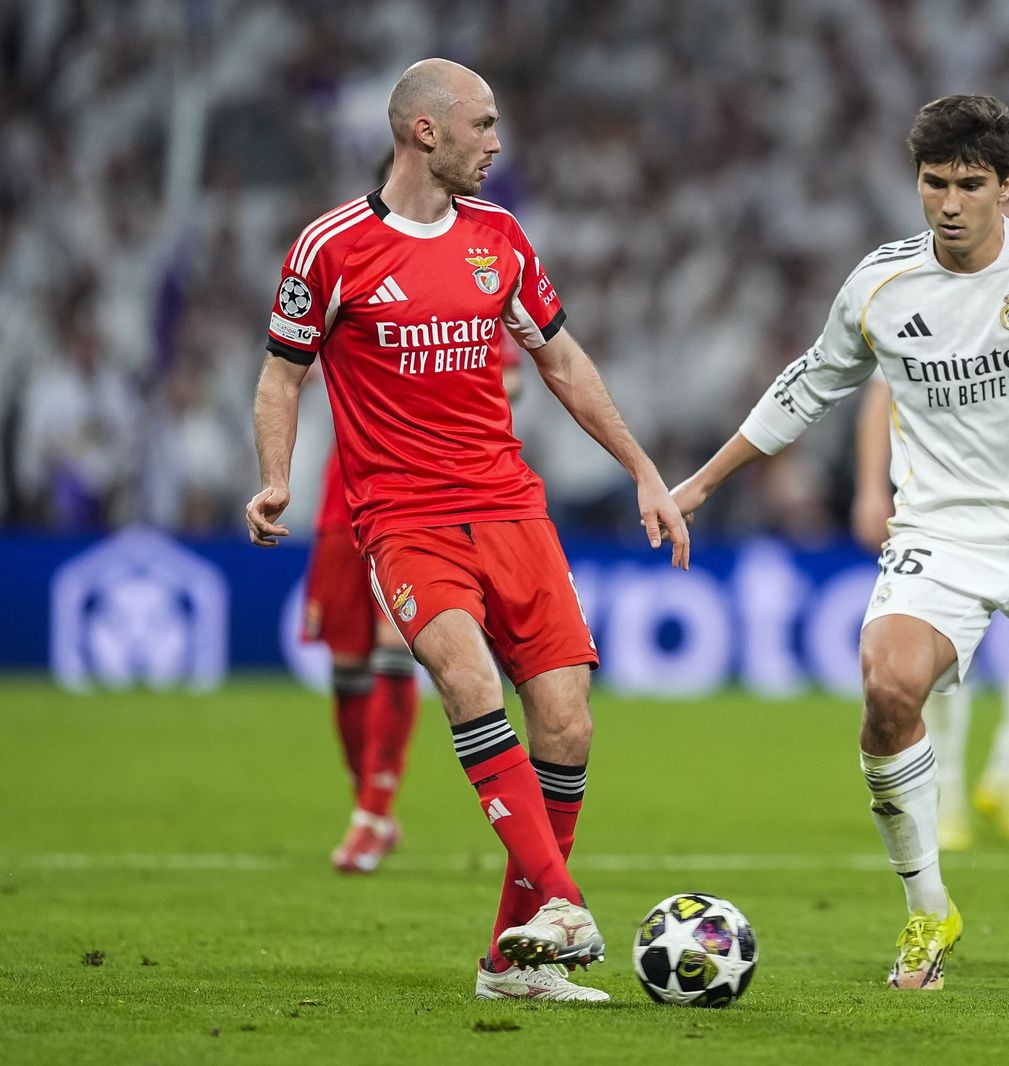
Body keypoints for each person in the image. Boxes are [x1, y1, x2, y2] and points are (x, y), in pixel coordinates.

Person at [673, 95, 1009, 990]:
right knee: (888, 683)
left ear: (1006, 186)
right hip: (940, 532)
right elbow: (806, 387)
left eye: (972, 185)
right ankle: (929, 910)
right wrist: (699, 483)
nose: (951, 203)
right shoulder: (881, 283)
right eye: (935, 184)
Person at [247, 58, 689, 1003]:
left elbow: (561, 360)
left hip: (511, 507)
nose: (498, 142)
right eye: (483, 125)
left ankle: (508, 965)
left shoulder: (502, 238)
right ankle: (564, 902)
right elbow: (283, 372)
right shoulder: (330, 248)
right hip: (403, 517)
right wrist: (277, 480)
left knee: (567, 726)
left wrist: (643, 469)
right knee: (466, 679)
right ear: (425, 133)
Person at [850, 172, 1009, 853]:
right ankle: (950, 800)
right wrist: (873, 488)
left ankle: (1006, 779)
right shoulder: (935, 302)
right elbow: (881, 397)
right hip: (952, 512)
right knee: (940, 661)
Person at [303, 445, 420, 874]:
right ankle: (372, 811)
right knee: (346, 669)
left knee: (394, 647)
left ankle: (372, 814)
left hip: (412, 486)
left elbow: (510, 380)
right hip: (345, 491)